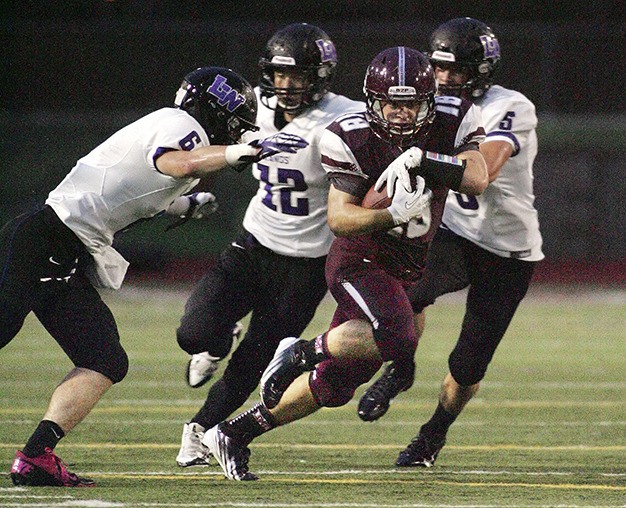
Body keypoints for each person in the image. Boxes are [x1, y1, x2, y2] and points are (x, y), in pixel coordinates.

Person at [1, 66, 308, 487]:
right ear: (216, 111)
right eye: (235, 124)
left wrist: (183, 206)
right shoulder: (183, 127)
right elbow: (176, 163)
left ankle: (35, 457)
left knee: (104, 359)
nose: (235, 135)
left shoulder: (168, 124)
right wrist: (239, 154)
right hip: (43, 242)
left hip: (59, 251)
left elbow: (132, 188)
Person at [200, 46, 489, 480]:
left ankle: (234, 433)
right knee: (398, 335)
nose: (401, 114)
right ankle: (298, 352)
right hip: (361, 261)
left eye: (411, 103)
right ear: (373, 101)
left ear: (429, 101)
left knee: (336, 386)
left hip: (407, 265)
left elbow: (478, 178)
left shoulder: (453, 117)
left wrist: (422, 159)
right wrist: (392, 214)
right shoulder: (350, 135)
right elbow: (339, 218)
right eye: (392, 102)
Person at [174, 23, 364, 468]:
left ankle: (202, 430)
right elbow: (209, 143)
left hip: (307, 264)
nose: (286, 85)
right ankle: (217, 342)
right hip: (253, 244)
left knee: (256, 360)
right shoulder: (253, 106)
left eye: (297, 76)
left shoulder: (343, 117)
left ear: (320, 76)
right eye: (279, 75)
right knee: (194, 332)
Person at [357, 17, 544, 468]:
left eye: (455, 70)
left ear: (481, 70)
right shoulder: (430, 106)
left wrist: (420, 159)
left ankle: (432, 435)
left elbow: (486, 170)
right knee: (405, 296)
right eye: (439, 68)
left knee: (468, 364)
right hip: (455, 233)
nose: (443, 79)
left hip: (508, 250)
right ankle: (401, 368)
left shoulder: (511, 105)